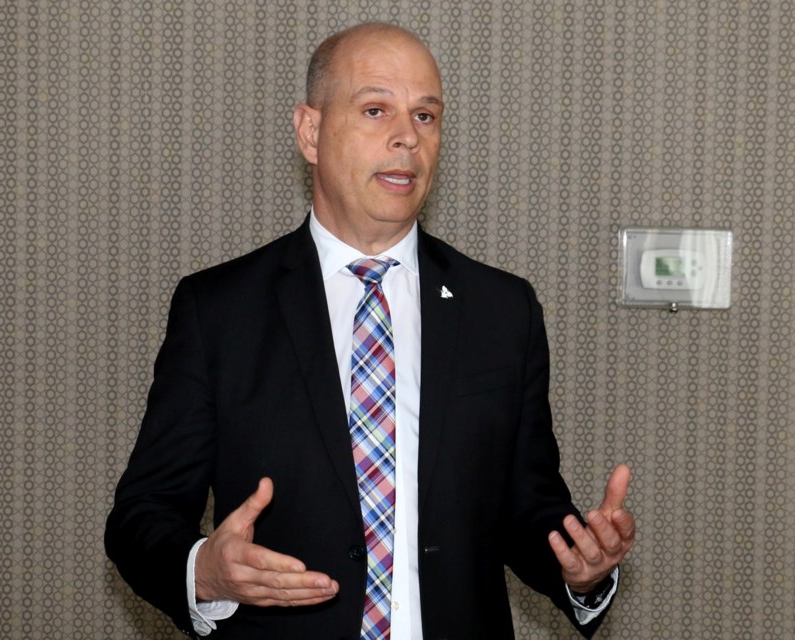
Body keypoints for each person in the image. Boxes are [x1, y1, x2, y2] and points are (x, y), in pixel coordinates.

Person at [105, 22, 635, 640]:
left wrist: (583, 572)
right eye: (375, 109)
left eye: (426, 116)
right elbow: (142, 518)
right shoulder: (219, 310)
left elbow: (528, 508)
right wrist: (205, 572)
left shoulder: (502, 309)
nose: (406, 136)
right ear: (310, 131)